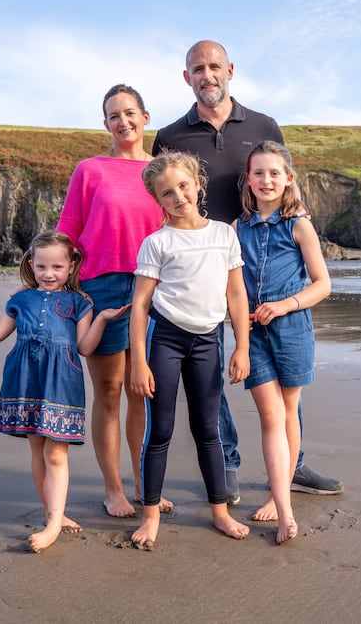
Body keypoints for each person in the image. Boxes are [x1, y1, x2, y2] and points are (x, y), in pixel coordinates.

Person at [152, 39, 342, 505]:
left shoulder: (263, 125)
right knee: (212, 374)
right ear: (187, 77)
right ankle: (228, 462)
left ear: (230, 70)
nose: (207, 75)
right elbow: (160, 199)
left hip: (258, 268)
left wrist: (300, 226)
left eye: (214, 66)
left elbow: (281, 178)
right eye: (198, 68)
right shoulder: (170, 135)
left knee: (283, 384)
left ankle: (293, 465)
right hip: (199, 271)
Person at [0, 230, 129, 552]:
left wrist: (102, 319)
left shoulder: (80, 303)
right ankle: (53, 514)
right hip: (25, 379)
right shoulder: (20, 299)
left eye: (57, 267)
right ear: (31, 264)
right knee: (38, 450)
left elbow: (85, 348)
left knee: (56, 453)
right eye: (42, 266)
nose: (49, 274)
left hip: (61, 382)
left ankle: (53, 525)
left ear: (71, 266)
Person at [56, 84, 171, 518]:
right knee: (108, 390)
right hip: (100, 287)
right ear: (105, 124)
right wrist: (43, 285)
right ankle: (113, 489)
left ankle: (144, 484)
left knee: (142, 390)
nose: (123, 122)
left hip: (154, 288)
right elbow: (67, 231)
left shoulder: (160, 172)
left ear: (145, 117)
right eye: (114, 116)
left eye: (130, 113)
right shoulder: (90, 170)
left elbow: (180, 227)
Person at [128, 152, 251, 547]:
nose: (178, 196)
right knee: (160, 430)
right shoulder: (156, 243)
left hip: (208, 341)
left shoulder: (224, 235)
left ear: (197, 184)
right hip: (165, 339)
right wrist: (138, 362)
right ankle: (150, 515)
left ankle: (220, 512)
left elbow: (236, 294)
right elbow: (140, 305)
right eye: (167, 193)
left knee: (208, 429)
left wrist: (242, 347)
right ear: (157, 199)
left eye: (184, 186)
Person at [235, 141, 332, 543]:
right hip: (253, 333)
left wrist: (284, 305)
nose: (266, 180)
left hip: (292, 328)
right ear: (248, 179)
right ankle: (285, 511)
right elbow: (230, 284)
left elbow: (323, 284)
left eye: (274, 173)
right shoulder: (237, 228)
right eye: (258, 173)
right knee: (270, 416)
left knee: (289, 411)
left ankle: (281, 499)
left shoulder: (299, 225)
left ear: (288, 178)